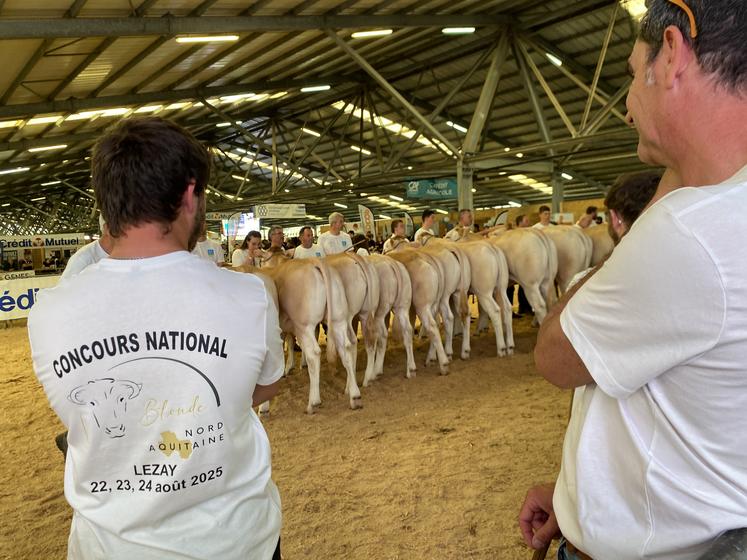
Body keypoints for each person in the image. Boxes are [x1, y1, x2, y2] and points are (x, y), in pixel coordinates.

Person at [521, 2, 747, 559]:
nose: (626, 109)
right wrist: (581, 498)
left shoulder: (689, 232)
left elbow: (554, 356)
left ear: (671, 54)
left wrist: (672, 180)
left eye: (629, 74)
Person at [27, 117, 283, 560]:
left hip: (110, 548)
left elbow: (75, 415)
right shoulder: (249, 295)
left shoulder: (49, 312)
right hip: (237, 543)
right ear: (189, 195)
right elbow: (264, 387)